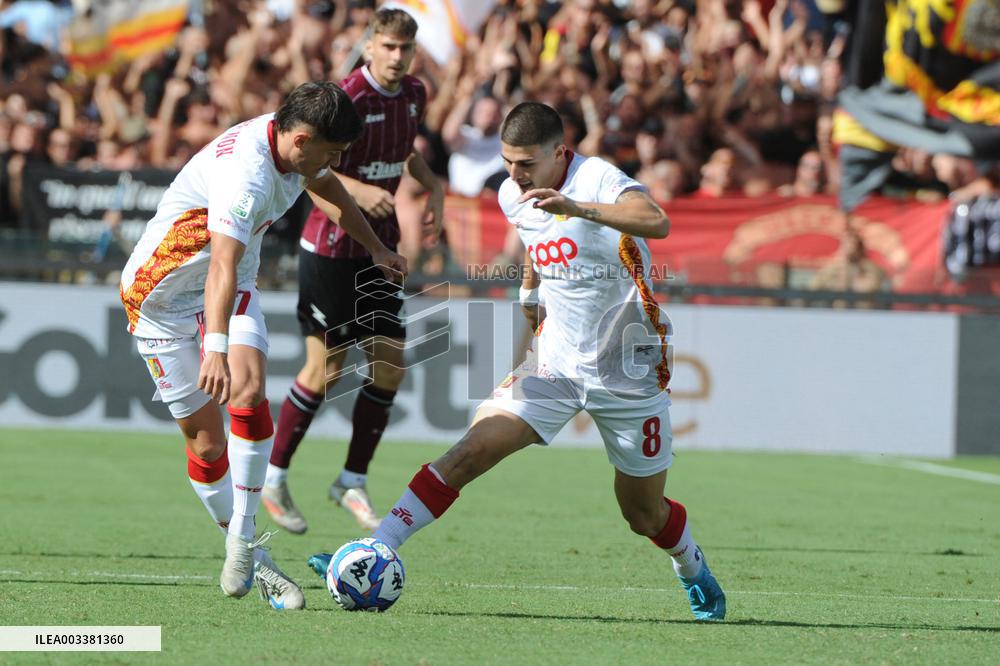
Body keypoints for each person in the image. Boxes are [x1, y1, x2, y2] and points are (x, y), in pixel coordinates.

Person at [309, 102, 726, 621]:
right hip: (554, 362)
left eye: (526, 163)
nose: (513, 173)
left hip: (628, 368)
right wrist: (529, 293)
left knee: (642, 513)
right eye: (508, 161)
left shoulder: (596, 177)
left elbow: (655, 221)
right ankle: (377, 551)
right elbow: (537, 243)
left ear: (559, 152)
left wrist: (577, 207)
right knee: (470, 451)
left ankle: (691, 567)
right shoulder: (511, 193)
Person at [119, 81, 406, 610]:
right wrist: (215, 347)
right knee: (206, 445)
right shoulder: (245, 176)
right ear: (299, 140)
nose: (337, 163)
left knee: (248, 394)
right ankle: (258, 555)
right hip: (160, 297)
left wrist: (375, 246)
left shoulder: (295, 150)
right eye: (332, 152)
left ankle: (240, 543)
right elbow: (220, 263)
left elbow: (329, 189)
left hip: (231, 284)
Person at [262, 9, 443, 534]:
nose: (396, 57)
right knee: (328, 369)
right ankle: (273, 477)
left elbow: (402, 156)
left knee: (390, 365)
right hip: (331, 249)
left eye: (404, 49)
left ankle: (351, 480)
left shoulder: (414, 93)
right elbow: (313, 170)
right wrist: (358, 191)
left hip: (380, 250)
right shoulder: (345, 98)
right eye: (387, 46)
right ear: (368, 47)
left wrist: (432, 183)